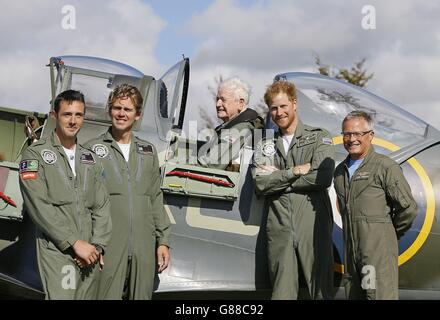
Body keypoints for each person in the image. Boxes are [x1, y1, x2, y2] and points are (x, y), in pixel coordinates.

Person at [19, 90, 112, 299]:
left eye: (78, 115)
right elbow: (39, 206)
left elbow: (102, 205)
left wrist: (97, 246)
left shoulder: (91, 159)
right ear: (54, 116)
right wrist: (74, 243)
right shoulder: (35, 155)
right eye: (67, 114)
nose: (73, 121)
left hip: (90, 255)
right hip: (59, 252)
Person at [85, 84, 171, 300]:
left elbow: (155, 198)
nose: (121, 114)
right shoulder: (90, 150)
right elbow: (83, 204)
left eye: (128, 109)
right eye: (116, 108)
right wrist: (93, 244)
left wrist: (163, 241)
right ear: (109, 110)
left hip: (144, 247)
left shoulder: (148, 152)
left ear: (137, 115)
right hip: (108, 246)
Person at [252, 80, 335, 299]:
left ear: (294, 103)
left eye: (283, 106)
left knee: (320, 289)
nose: (279, 113)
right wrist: (295, 171)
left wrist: (278, 180)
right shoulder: (265, 146)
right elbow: (260, 184)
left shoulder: (319, 136)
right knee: (282, 292)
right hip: (278, 225)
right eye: (274, 108)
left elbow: (323, 177)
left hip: (312, 222)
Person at [333, 111, 417, 300]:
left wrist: (386, 233)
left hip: (376, 256)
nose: (351, 139)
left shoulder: (385, 167)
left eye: (357, 134)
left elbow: (408, 208)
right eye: (347, 134)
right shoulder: (339, 172)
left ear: (370, 135)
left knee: (376, 296)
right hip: (352, 256)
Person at [198, 77, 264, 171]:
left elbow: (211, 165)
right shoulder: (231, 126)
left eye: (223, 100)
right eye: (217, 99)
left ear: (241, 103)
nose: (218, 104)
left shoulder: (240, 129)